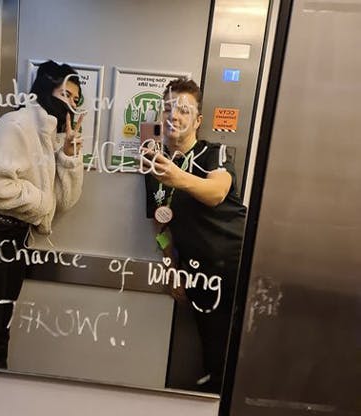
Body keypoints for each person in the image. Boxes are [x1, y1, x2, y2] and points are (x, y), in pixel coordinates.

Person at [0, 60, 85, 368]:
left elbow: (63, 202)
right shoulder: (16, 124)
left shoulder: (50, 135)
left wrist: (69, 156)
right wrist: (41, 203)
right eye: (65, 94)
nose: (70, 104)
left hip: (15, 240)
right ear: (45, 90)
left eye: (75, 99)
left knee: (1, 327)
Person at [142, 78, 246, 392]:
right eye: (168, 109)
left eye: (184, 110)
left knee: (242, 358)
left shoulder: (214, 153)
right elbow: (161, 224)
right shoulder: (156, 165)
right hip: (199, 276)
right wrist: (171, 267)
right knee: (214, 359)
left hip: (236, 270)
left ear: (198, 121)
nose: (174, 116)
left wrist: (180, 177)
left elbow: (217, 191)